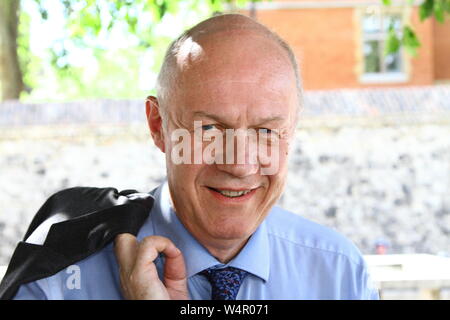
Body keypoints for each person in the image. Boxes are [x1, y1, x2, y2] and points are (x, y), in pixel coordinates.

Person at [11, 13, 379, 300]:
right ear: (158, 126)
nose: (239, 164)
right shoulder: (58, 276)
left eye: (266, 131)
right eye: (210, 129)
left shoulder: (340, 274)